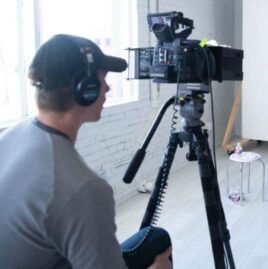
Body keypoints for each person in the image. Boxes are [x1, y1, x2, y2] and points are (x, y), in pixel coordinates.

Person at [0, 34, 172, 269]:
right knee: (158, 240)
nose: (108, 87)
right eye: (103, 79)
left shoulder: (9, 137)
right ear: (86, 89)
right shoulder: (85, 190)